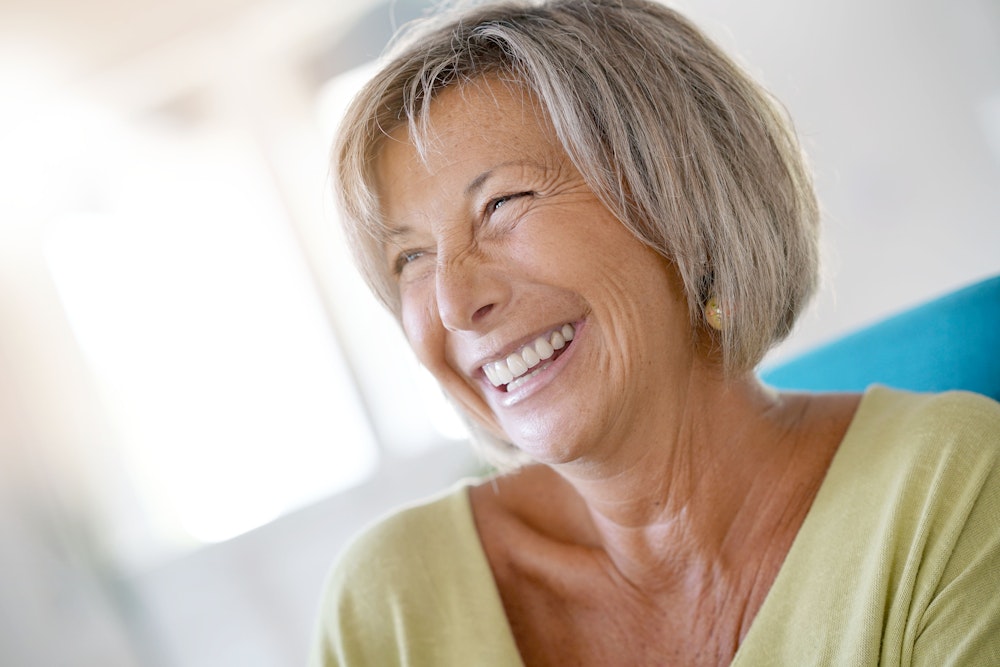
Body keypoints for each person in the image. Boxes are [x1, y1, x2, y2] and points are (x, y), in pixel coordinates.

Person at [309, 0, 1000, 664]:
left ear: (680, 201)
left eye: (502, 204)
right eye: (410, 258)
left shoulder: (954, 485)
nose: (455, 301)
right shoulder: (390, 603)